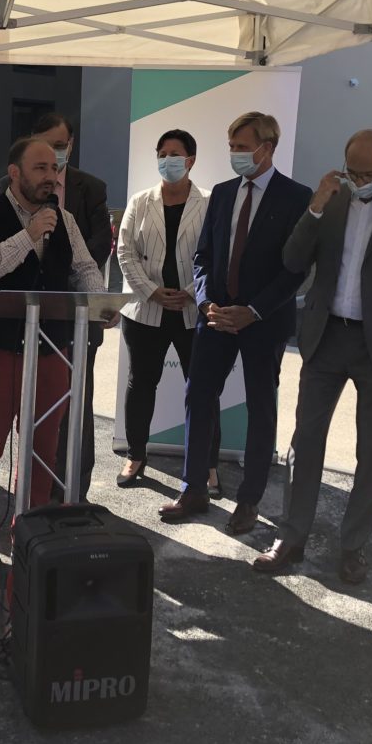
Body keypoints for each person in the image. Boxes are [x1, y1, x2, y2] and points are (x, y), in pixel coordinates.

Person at [254, 129, 372, 583]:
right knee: (305, 441)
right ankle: (291, 537)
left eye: (368, 174)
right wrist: (315, 206)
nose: (359, 180)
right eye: (352, 171)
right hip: (327, 336)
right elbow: (293, 260)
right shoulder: (332, 197)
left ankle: (354, 545)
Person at [0, 138, 111, 590]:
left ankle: (30, 539)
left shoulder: (64, 219)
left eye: (54, 168)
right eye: (40, 168)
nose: (50, 176)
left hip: (50, 353)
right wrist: (27, 236)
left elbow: (84, 267)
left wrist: (101, 300)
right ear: (15, 173)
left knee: (43, 454)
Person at [159, 112, 311, 534]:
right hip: (216, 318)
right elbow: (203, 256)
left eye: (242, 147)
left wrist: (254, 310)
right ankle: (193, 488)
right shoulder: (223, 193)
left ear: (268, 148)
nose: (235, 154)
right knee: (198, 395)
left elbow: (296, 269)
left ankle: (249, 500)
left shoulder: (296, 197)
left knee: (261, 406)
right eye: (231, 146)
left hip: (264, 320)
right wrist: (206, 302)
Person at [0, 113, 112, 500]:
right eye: (44, 147)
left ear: (71, 146)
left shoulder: (91, 188)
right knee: (30, 404)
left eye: (59, 147)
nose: (51, 157)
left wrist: (70, 288)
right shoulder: (9, 187)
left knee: (77, 404)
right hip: (26, 317)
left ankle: (74, 490)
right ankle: (33, 489)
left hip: (75, 316)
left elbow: (98, 248)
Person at [116, 129, 221, 493]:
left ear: (191, 160)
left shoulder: (210, 202)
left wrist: (191, 293)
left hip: (193, 311)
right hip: (146, 310)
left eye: (175, 154)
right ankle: (135, 454)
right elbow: (125, 251)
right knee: (141, 384)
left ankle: (208, 464)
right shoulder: (140, 201)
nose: (167, 160)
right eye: (162, 153)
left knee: (203, 389)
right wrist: (152, 292)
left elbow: (217, 254)